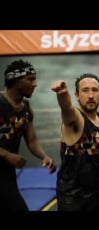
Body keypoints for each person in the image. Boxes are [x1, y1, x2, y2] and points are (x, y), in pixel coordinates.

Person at [51, 73, 99, 211]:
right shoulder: (75, 119)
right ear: (77, 95)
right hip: (73, 198)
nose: (90, 95)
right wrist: (62, 93)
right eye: (85, 90)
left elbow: (98, 156)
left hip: (98, 192)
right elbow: (67, 108)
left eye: (95, 90)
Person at [0, 59, 56, 211]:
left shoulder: (26, 109)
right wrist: (6, 155)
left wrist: (43, 156)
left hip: (6, 175)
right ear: (16, 81)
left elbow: (31, 140)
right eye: (30, 79)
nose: (35, 84)